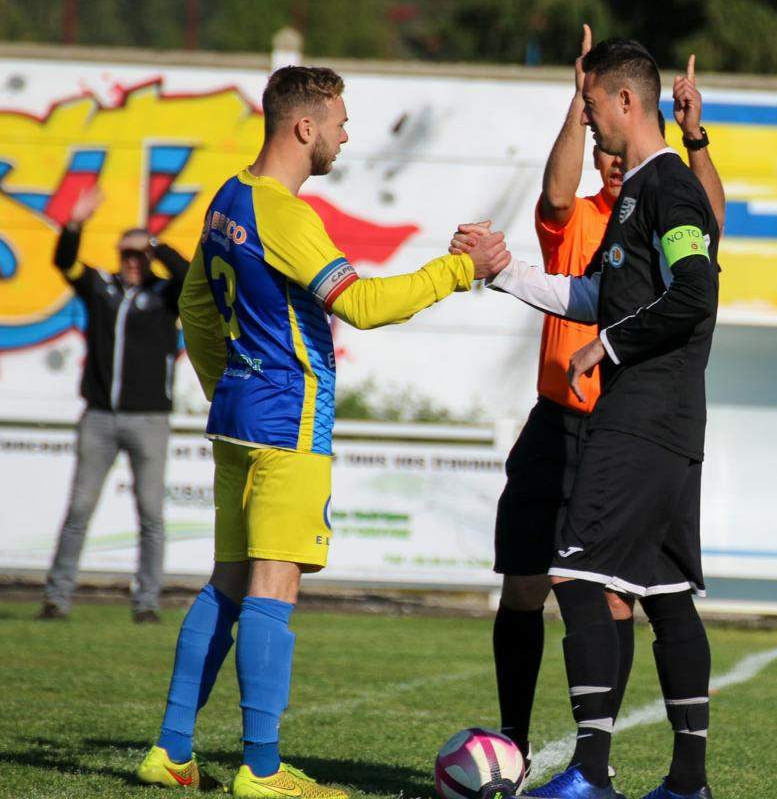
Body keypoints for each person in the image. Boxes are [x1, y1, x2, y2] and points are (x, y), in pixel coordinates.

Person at [134, 65, 510, 799]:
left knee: (227, 586)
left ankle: (171, 751)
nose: (346, 133)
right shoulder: (285, 214)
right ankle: (263, 770)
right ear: (303, 126)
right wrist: (458, 271)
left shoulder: (228, 199)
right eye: (339, 120)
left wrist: (227, 389)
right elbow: (363, 305)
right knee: (274, 590)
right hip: (285, 424)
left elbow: (195, 308)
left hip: (241, 419)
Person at [450, 25, 725, 790]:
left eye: (594, 103)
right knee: (666, 596)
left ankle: (590, 777)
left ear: (626, 100)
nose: (590, 117)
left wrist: (607, 350)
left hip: (640, 418)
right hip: (670, 423)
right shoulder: (639, 192)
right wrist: (503, 272)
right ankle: (687, 783)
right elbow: (601, 298)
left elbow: (694, 295)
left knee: (572, 577)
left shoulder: (668, 188)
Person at [41, 186, 189, 624]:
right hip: (100, 417)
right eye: (126, 253)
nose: (131, 261)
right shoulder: (100, 289)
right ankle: (57, 597)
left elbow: (187, 275)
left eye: (138, 255)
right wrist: (74, 224)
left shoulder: (165, 295)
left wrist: (156, 244)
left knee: (150, 515)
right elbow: (64, 262)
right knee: (80, 509)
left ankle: (146, 602)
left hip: (149, 419)